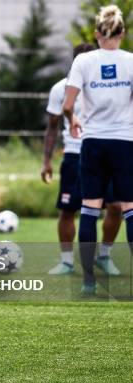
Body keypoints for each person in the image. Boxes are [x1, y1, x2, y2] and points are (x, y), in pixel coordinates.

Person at [63, 5, 133, 294]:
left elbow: (68, 106)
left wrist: (74, 119)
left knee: (90, 210)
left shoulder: (84, 61)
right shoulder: (131, 61)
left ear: (96, 33)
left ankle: (89, 281)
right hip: (125, 142)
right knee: (129, 209)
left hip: (92, 143)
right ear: (122, 33)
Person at [42, 43, 121, 276]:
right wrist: (46, 161)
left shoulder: (108, 86)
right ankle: (66, 262)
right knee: (68, 210)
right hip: (75, 156)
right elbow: (52, 128)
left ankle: (104, 256)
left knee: (115, 207)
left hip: (105, 154)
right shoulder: (61, 89)